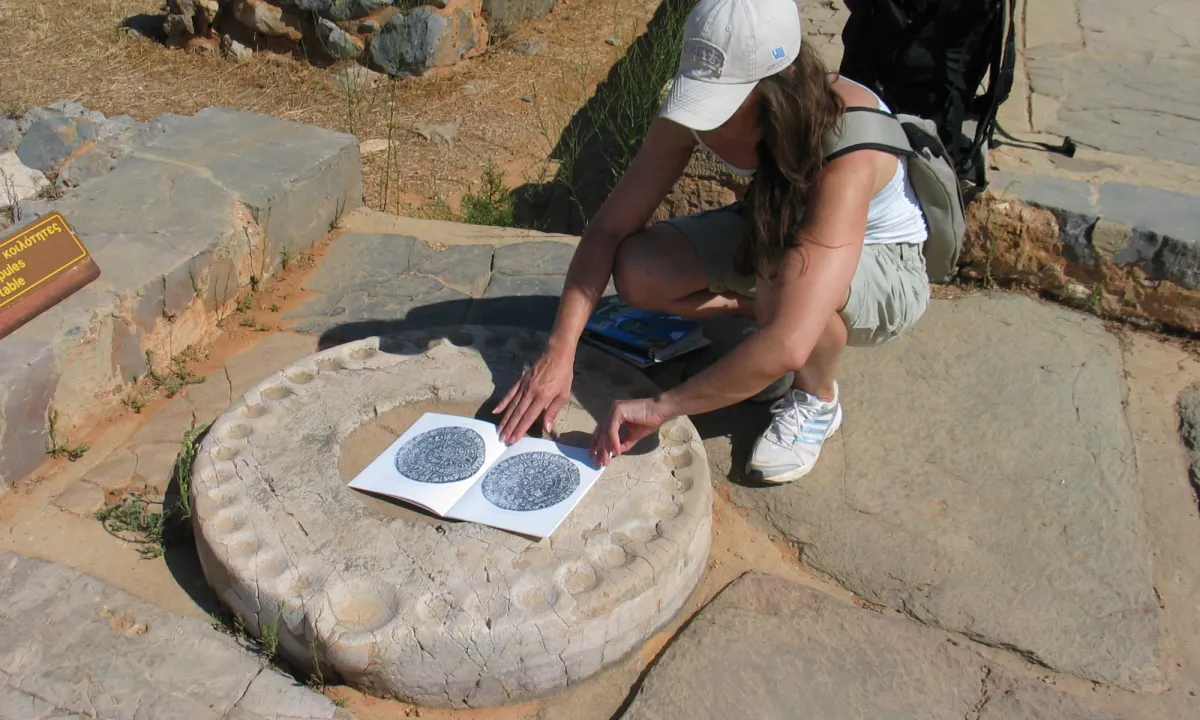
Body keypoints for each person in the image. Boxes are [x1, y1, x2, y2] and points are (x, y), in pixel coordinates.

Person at [494, 0, 930, 483]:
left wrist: (662, 407)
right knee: (641, 270)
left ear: (774, 91)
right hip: (778, 232)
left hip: (885, 266)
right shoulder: (700, 112)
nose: (706, 121)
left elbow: (787, 344)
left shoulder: (848, 146)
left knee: (789, 301)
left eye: (724, 105)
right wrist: (560, 350)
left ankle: (818, 399)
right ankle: (762, 312)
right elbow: (609, 229)